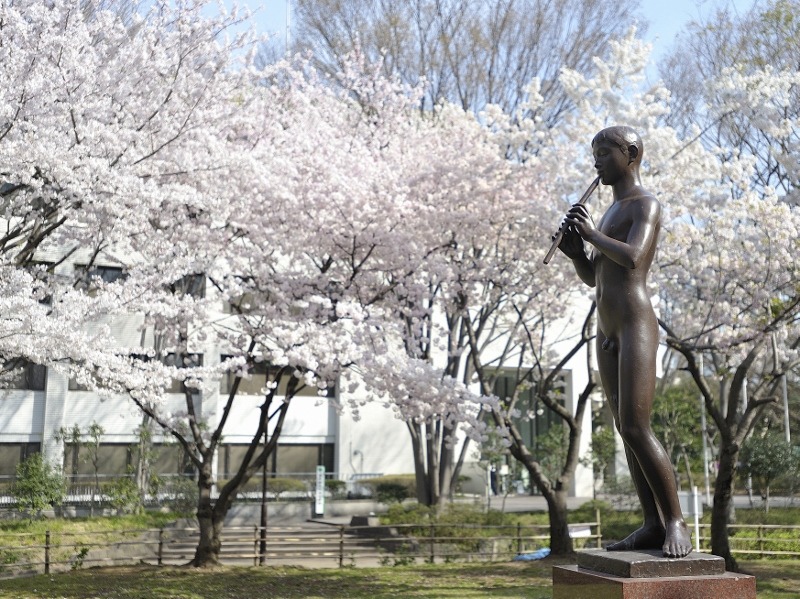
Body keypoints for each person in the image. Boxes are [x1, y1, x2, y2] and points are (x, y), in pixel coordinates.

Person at [557, 126, 692, 559]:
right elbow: (596, 275)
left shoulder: (644, 205)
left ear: (630, 153)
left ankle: (674, 521)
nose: (595, 161)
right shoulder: (611, 211)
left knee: (636, 425)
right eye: (593, 153)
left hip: (635, 323)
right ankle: (651, 523)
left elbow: (633, 258)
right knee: (624, 430)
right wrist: (578, 252)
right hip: (607, 330)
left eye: (603, 152)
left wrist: (593, 235)